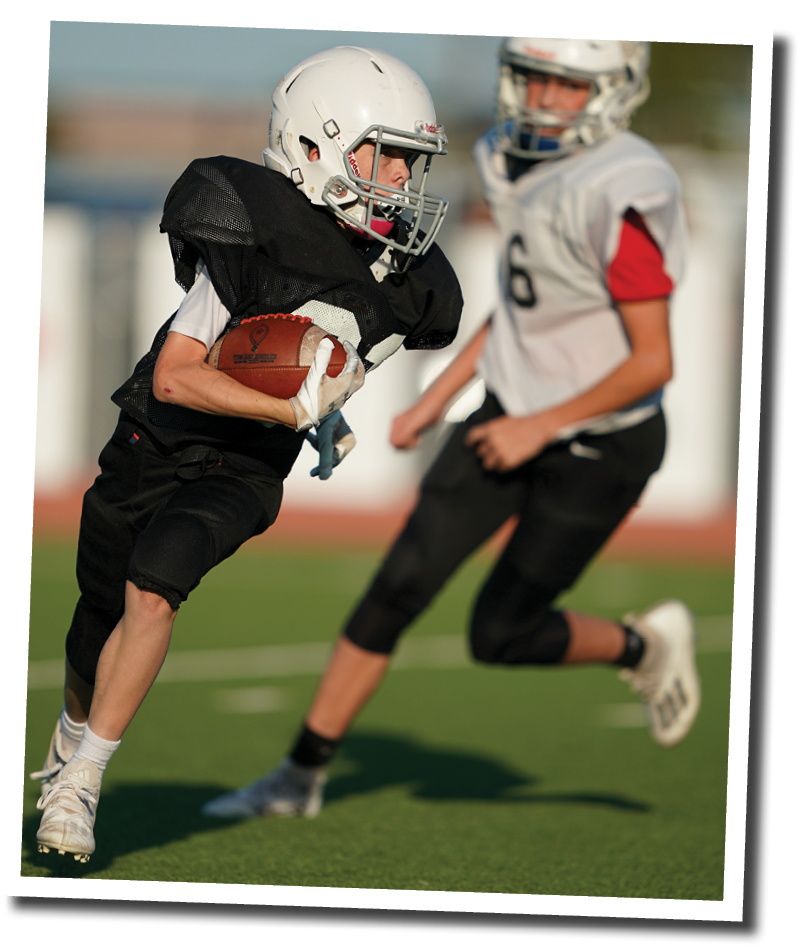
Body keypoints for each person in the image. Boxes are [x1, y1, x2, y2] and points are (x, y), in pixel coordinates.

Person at [202, 37, 701, 822]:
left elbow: (653, 361)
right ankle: (297, 778)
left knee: (500, 634)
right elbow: (529, 310)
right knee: (394, 588)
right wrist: (442, 398)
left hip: (603, 440)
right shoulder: (513, 159)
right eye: (531, 75)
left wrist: (538, 429)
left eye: (563, 84)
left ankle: (642, 647)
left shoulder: (627, 188)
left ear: (611, 90)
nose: (539, 96)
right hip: (513, 410)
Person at [30, 45, 463, 862]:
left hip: (247, 470)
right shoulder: (252, 224)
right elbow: (176, 378)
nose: (404, 181)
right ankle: (73, 734)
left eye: (412, 161)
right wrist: (289, 401)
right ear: (316, 146)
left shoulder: (405, 279)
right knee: (96, 624)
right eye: (390, 156)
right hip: (151, 444)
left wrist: (322, 414)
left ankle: (82, 782)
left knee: (154, 587)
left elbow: (339, 364)